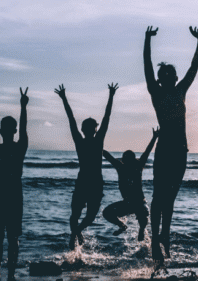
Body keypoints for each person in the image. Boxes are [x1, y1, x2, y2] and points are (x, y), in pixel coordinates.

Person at [144, 25, 198, 263]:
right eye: (163, 76)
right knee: (159, 196)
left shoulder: (181, 91)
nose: (167, 78)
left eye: (170, 75)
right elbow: (147, 67)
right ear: (160, 79)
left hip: (180, 151)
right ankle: (156, 239)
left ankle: (164, 236)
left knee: (169, 198)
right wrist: (147, 40)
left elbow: (194, 67)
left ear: (175, 78)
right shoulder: (156, 93)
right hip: (166, 150)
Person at [55, 82, 118, 249]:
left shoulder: (84, 141)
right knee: (85, 215)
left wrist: (64, 98)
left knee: (79, 216)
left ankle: (75, 233)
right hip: (91, 181)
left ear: (85, 129)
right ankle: (76, 233)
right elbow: (106, 117)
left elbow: (71, 118)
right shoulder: (92, 141)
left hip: (87, 181)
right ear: (92, 129)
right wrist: (111, 96)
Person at [0, 87, 29, 281]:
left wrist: (23, 106)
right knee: (9, 236)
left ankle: (0, 273)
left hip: (3, 194)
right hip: (9, 195)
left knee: (2, 236)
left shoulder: (6, 149)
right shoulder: (14, 148)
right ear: (11, 131)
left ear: (2, 130)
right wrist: (23, 106)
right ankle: (7, 273)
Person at [102, 128, 159, 241]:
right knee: (106, 213)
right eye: (126, 160)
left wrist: (154, 137)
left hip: (140, 202)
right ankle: (122, 225)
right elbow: (107, 156)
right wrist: (154, 137)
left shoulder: (135, 166)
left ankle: (142, 229)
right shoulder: (122, 167)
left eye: (129, 160)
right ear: (124, 160)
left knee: (143, 213)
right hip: (127, 203)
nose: (127, 162)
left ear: (133, 160)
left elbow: (147, 152)